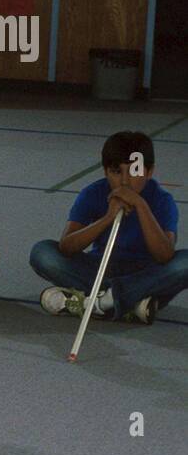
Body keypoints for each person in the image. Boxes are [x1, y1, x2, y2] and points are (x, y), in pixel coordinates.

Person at [30, 130, 185, 323]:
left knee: (183, 263)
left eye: (134, 171)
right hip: (101, 267)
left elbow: (165, 255)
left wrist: (141, 205)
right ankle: (128, 302)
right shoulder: (93, 193)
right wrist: (107, 218)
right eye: (116, 172)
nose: (125, 181)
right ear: (105, 171)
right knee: (43, 253)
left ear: (149, 171)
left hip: (145, 272)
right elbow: (66, 247)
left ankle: (100, 301)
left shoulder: (162, 200)